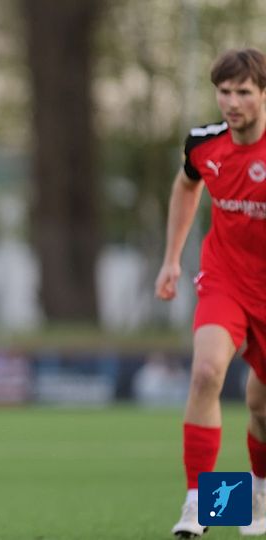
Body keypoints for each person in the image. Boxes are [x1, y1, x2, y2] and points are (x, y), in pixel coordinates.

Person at [156, 48, 266, 538]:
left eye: (244, 92)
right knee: (205, 373)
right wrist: (172, 259)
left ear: (263, 94)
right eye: (225, 91)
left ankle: (256, 494)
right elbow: (186, 187)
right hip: (225, 280)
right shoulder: (204, 143)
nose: (232, 102)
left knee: (260, 408)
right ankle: (198, 504)